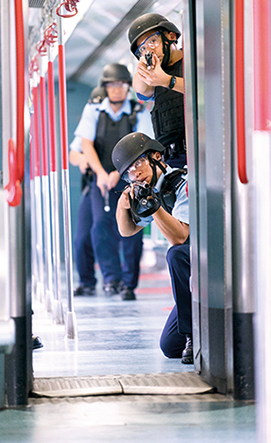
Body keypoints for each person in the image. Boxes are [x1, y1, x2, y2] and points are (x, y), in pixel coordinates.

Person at [74, 64, 154, 300]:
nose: (116, 89)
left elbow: (143, 147)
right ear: (105, 87)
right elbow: (85, 144)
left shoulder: (138, 112)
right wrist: (100, 172)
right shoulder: (94, 111)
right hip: (100, 180)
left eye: (120, 84)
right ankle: (112, 279)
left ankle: (128, 284)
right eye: (111, 85)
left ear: (128, 86)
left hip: (130, 178)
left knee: (132, 231)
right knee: (99, 227)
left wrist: (118, 175)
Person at [112, 132, 193, 364]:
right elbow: (127, 230)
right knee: (169, 346)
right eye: (129, 171)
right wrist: (123, 207)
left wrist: (154, 207)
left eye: (138, 163)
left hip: (212, 263)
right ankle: (192, 329)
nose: (135, 172)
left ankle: (192, 336)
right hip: (193, 277)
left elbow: (180, 238)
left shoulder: (182, 184)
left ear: (157, 157)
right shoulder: (150, 189)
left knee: (176, 254)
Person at [128, 13, 186, 168]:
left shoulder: (193, 59)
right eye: (142, 49)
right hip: (173, 163)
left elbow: (204, 89)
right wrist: (144, 68)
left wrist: (167, 81)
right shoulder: (155, 75)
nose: (149, 50)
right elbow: (141, 90)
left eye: (152, 41)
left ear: (171, 36)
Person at [69, 86, 107, 297]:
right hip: (93, 185)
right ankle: (87, 281)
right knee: (83, 237)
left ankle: (116, 281)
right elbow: (73, 153)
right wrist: (85, 160)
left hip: (116, 183)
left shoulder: (126, 119)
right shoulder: (89, 125)